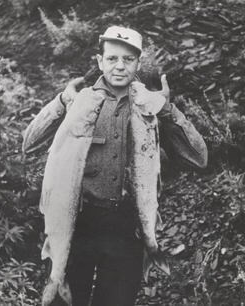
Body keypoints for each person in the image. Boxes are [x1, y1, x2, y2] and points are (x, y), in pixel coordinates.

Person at [22, 26, 208, 306]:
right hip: (77, 224)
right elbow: (29, 144)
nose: (120, 66)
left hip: (126, 227)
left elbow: (198, 158)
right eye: (112, 59)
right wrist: (61, 102)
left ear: (138, 63)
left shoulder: (149, 103)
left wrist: (167, 109)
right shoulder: (80, 101)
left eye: (128, 59)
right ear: (100, 61)